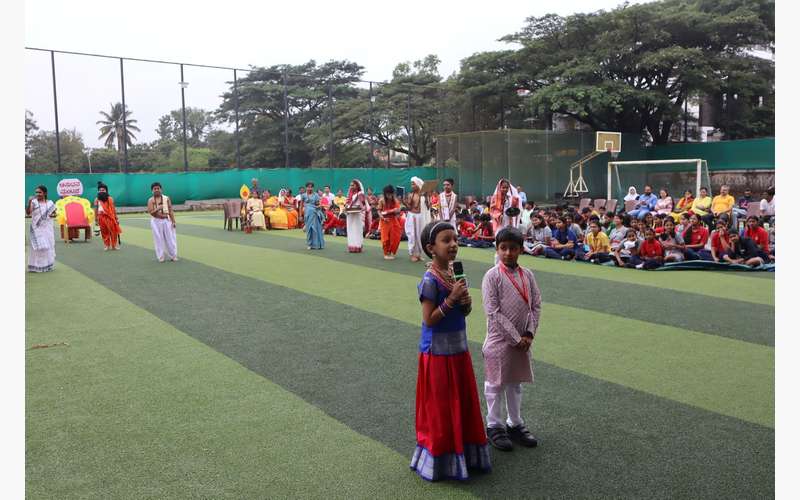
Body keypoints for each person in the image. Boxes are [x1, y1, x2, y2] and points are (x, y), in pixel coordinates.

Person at [411, 221, 490, 481]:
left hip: (458, 349)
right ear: (431, 248)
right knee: (442, 407)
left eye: (455, 239)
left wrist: (465, 303)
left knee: (462, 401)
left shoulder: (455, 273)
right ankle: (441, 458)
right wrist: (452, 299)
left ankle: (464, 451)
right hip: (437, 353)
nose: (454, 244)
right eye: (446, 240)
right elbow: (429, 320)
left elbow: (463, 312)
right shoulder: (429, 280)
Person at [481, 227, 542, 452]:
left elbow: (536, 305)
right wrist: (516, 338)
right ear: (497, 249)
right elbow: (493, 312)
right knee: (495, 384)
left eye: (513, 248)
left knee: (515, 383)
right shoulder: (492, 276)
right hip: (499, 340)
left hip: (522, 340)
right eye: (503, 248)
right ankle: (494, 425)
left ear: (521, 250)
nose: (508, 253)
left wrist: (529, 334)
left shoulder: (528, 275)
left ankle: (514, 423)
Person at [28, 185, 57, 272]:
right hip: (36, 228)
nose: (37, 194)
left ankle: (47, 265)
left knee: (48, 246)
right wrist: (29, 202)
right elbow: (28, 213)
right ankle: (36, 266)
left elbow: (54, 213)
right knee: (39, 247)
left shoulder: (50, 203)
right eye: (36, 192)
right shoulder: (34, 202)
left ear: (45, 193)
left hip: (47, 228)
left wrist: (53, 215)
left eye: (39, 192)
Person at [147, 182, 178, 262]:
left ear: (161, 189)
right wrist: (158, 208)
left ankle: (173, 255)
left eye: (158, 188)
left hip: (166, 220)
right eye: (155, 189)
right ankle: (160, 257)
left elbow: (170, 210)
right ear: (152, 191)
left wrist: (173, 221)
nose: (157, 190)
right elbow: (151, 212)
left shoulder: (166, 198)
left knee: (170, 238)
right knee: (158, 239)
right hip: (156, 221)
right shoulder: (150, 200)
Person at [344, 179, 370, 253]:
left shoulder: (360, 193)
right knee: (350, 230)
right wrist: (346, 207)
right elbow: (347, 203)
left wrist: (359, 208)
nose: (351, 186)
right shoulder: (350, 194)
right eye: (350, 185)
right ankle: (351, 246)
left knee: (357, 230)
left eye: (353, 185)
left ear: (357, 186)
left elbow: (364, 205)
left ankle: (357, 246)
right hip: (350, 215)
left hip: (357, 215)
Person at [378, 185, 403, 259]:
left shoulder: (395, 200)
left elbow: (398, 211)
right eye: (387, 194)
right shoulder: (381, 200)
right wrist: (383, 218)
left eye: (390, 194)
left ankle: (391, 252)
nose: (389, 196)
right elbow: (379, 211)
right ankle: (386, 253)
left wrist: (396, 211)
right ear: (385, 194)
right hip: (385, 221)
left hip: (393, 220)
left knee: (396, 236)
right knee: (385, 238)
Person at [95, 182, 122, 250]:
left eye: (103, 190)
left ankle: (114, 245)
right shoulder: (97, 199)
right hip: (101, 217)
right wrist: (96, 219)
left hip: (110, 217)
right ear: (98, 191)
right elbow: (96, 209)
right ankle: (107, 245)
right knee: (104, 232)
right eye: (100, 190)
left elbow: (113, 209)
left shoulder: (110, 199)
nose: (101, 191)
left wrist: (116, 218)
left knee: (113, 232)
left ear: (106, 191)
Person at [405, 177, 425, 262]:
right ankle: (412, 254)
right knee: (412, 235)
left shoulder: (423, 196)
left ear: (418, 185)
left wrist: (427, 196)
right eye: (411, 184)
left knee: (420, 235)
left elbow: (428, 206)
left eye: (413, 184)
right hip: (412, 216)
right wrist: (404, 202)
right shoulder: (411, 195)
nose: (412, 186)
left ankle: (418, 254)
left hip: (420, 217)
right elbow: (409, 207)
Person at [300, 182, 325, 250]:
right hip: (307, 214)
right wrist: (300, 215)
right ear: (306, 187)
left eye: (311, 187)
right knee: (309, 229)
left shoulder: (316, 195)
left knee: (315, 229)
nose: (310, 188)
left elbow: (318, 204)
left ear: (313, 188)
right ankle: (309, 244)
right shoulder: (303, 195)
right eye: (308, 187)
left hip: (314, 214)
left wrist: (319, 206)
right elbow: (301, 206)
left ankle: (317, 244)